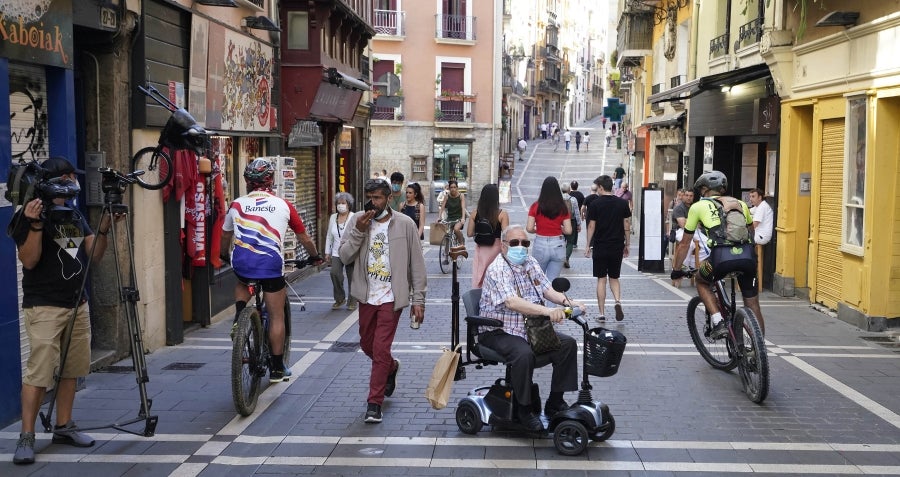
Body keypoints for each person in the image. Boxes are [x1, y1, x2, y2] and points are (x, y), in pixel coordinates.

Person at [10, 157, 123, 465]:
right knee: (39, 373)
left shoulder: (72, 213)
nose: (74, 181)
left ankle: (64, 425)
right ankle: (27, 436)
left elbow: (93, 255)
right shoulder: (30, 214)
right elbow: (29, 260)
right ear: (54, 180)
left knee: (72, 369)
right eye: (69, 176)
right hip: (44, 306)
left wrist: (103, 229)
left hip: (77, 304)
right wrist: (35, 224)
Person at [222, 158, 323, 383]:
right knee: (277, 316)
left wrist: (222, 255)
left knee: (242, 281)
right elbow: (303, 237)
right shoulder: (283, 205)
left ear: (247, 181)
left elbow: (225, 235)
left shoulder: (236, 204)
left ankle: (240, 315)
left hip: (243, 263)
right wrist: (315, 256)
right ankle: (277, 368)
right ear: (272, 180)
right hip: (270, 265)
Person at [478, 224, 585, 431]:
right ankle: (524, 410)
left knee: (568, 345)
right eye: (515, 243)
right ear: (503, 246)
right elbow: (512, 302)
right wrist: (547, 312)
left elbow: (547, 289)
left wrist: (569, 303)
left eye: (525, 243)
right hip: (498, 330)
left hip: (527, 328)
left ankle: (555, 402)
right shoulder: (498, 268)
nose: (520, 247)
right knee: (523, 354)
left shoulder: (530, 262)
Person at [339, 178, 427, 424]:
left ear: (389, 198)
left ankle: (373, 403)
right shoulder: (358, 220)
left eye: (378, 197)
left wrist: (418, 299)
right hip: (366, 295)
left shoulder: (405, 224)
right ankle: (390, 367)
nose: (373, 202)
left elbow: (417, 265)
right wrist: (358, 230)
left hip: (392, 296)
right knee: (367, 344)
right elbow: (344, 256)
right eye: (370, 197)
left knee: (380, 348)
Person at [671, 170, 765, 337]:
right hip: (747, 258)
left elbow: (685, 243)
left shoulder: (697, 207)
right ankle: (758, 350)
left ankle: (718, 321)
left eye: (701, 190)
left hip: (721, 259)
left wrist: (677, 270)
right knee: (752, 302)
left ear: (706, 189)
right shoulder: (739, 204)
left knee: (701, 280)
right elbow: (751, 231)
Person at [584, 175, 631, 322]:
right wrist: (627, 244)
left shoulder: (595, 204)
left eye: (597, 187)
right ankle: (617, 301)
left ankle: (602, 313)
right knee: (615, 277)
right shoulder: (622, 203)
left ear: (601, 187)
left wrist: (587, 245)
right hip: (617, 245)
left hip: (600, 245)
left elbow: (592, 226)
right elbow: (627, 225)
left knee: (601, 279)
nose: (597, 190)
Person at [527, 176, 572, 282]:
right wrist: (560, 228)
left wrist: (537, 229)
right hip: (558, 244)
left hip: (540, 243)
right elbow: (569, 230)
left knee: (539, 279)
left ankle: (540, 299)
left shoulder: (535, 206)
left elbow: (529, 228)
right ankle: (552, 298)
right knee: (553, 281)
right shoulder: (563, 207)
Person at [467, 184, 509, 287]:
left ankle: (479, 297)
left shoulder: (475, 213)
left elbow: (469, 233)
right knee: (495, 276)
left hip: (481, 248)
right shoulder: (502, 214)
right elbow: (506, 236)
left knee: (480, 275)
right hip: (496, 248)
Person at [325, 192, 356, 311]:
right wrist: (327, 252)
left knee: (352, 277)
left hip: (350, 251)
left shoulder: (354, 216)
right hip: (336, 252)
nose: (341, 205)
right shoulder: (333, 217)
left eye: (343, 203)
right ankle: (339, 298)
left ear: (349, 204)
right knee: (334, 273)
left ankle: (352, 301)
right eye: (338, 203)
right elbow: (329, 236)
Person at [437, 179, 467, 245]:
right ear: (449, 188)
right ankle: (446, 252)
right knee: (447, 233)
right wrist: (439, 217)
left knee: (456, 229)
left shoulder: (461, 196)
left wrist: (463, 218)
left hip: (459, 217)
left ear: (457, 188)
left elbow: (463, 207)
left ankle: (461, 243)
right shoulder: (447, 196)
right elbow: (442, 208)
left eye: (454, 187)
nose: (453, 189)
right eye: (451, 187)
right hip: (450, 217)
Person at [561, 183, 581, 269]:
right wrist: (579, 224)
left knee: (560, 241)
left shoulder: (558, 199)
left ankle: (559, 258)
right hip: (571, 221)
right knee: (570, 242)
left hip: (560, 222)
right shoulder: (573, 199)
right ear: (569, 190)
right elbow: (577, 213)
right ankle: (566, 258)